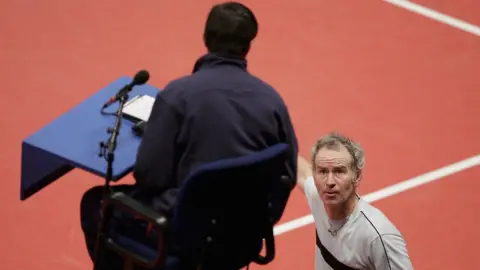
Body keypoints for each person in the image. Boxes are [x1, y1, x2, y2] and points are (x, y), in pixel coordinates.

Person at [80, 2, 298, 269]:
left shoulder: (177, 95)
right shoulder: (272, 101)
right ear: (248, 46)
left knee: (96, 204)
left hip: (183, 240)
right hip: (241, 238)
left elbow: (149, 177)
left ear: (206, 38)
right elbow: (287, 174)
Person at [296, 132, 414, 270]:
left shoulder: (378, 236)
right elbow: (301, 172)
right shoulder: (319, 197)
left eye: (339, 171)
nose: (329, 182)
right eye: (322, 171)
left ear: (357, 176)